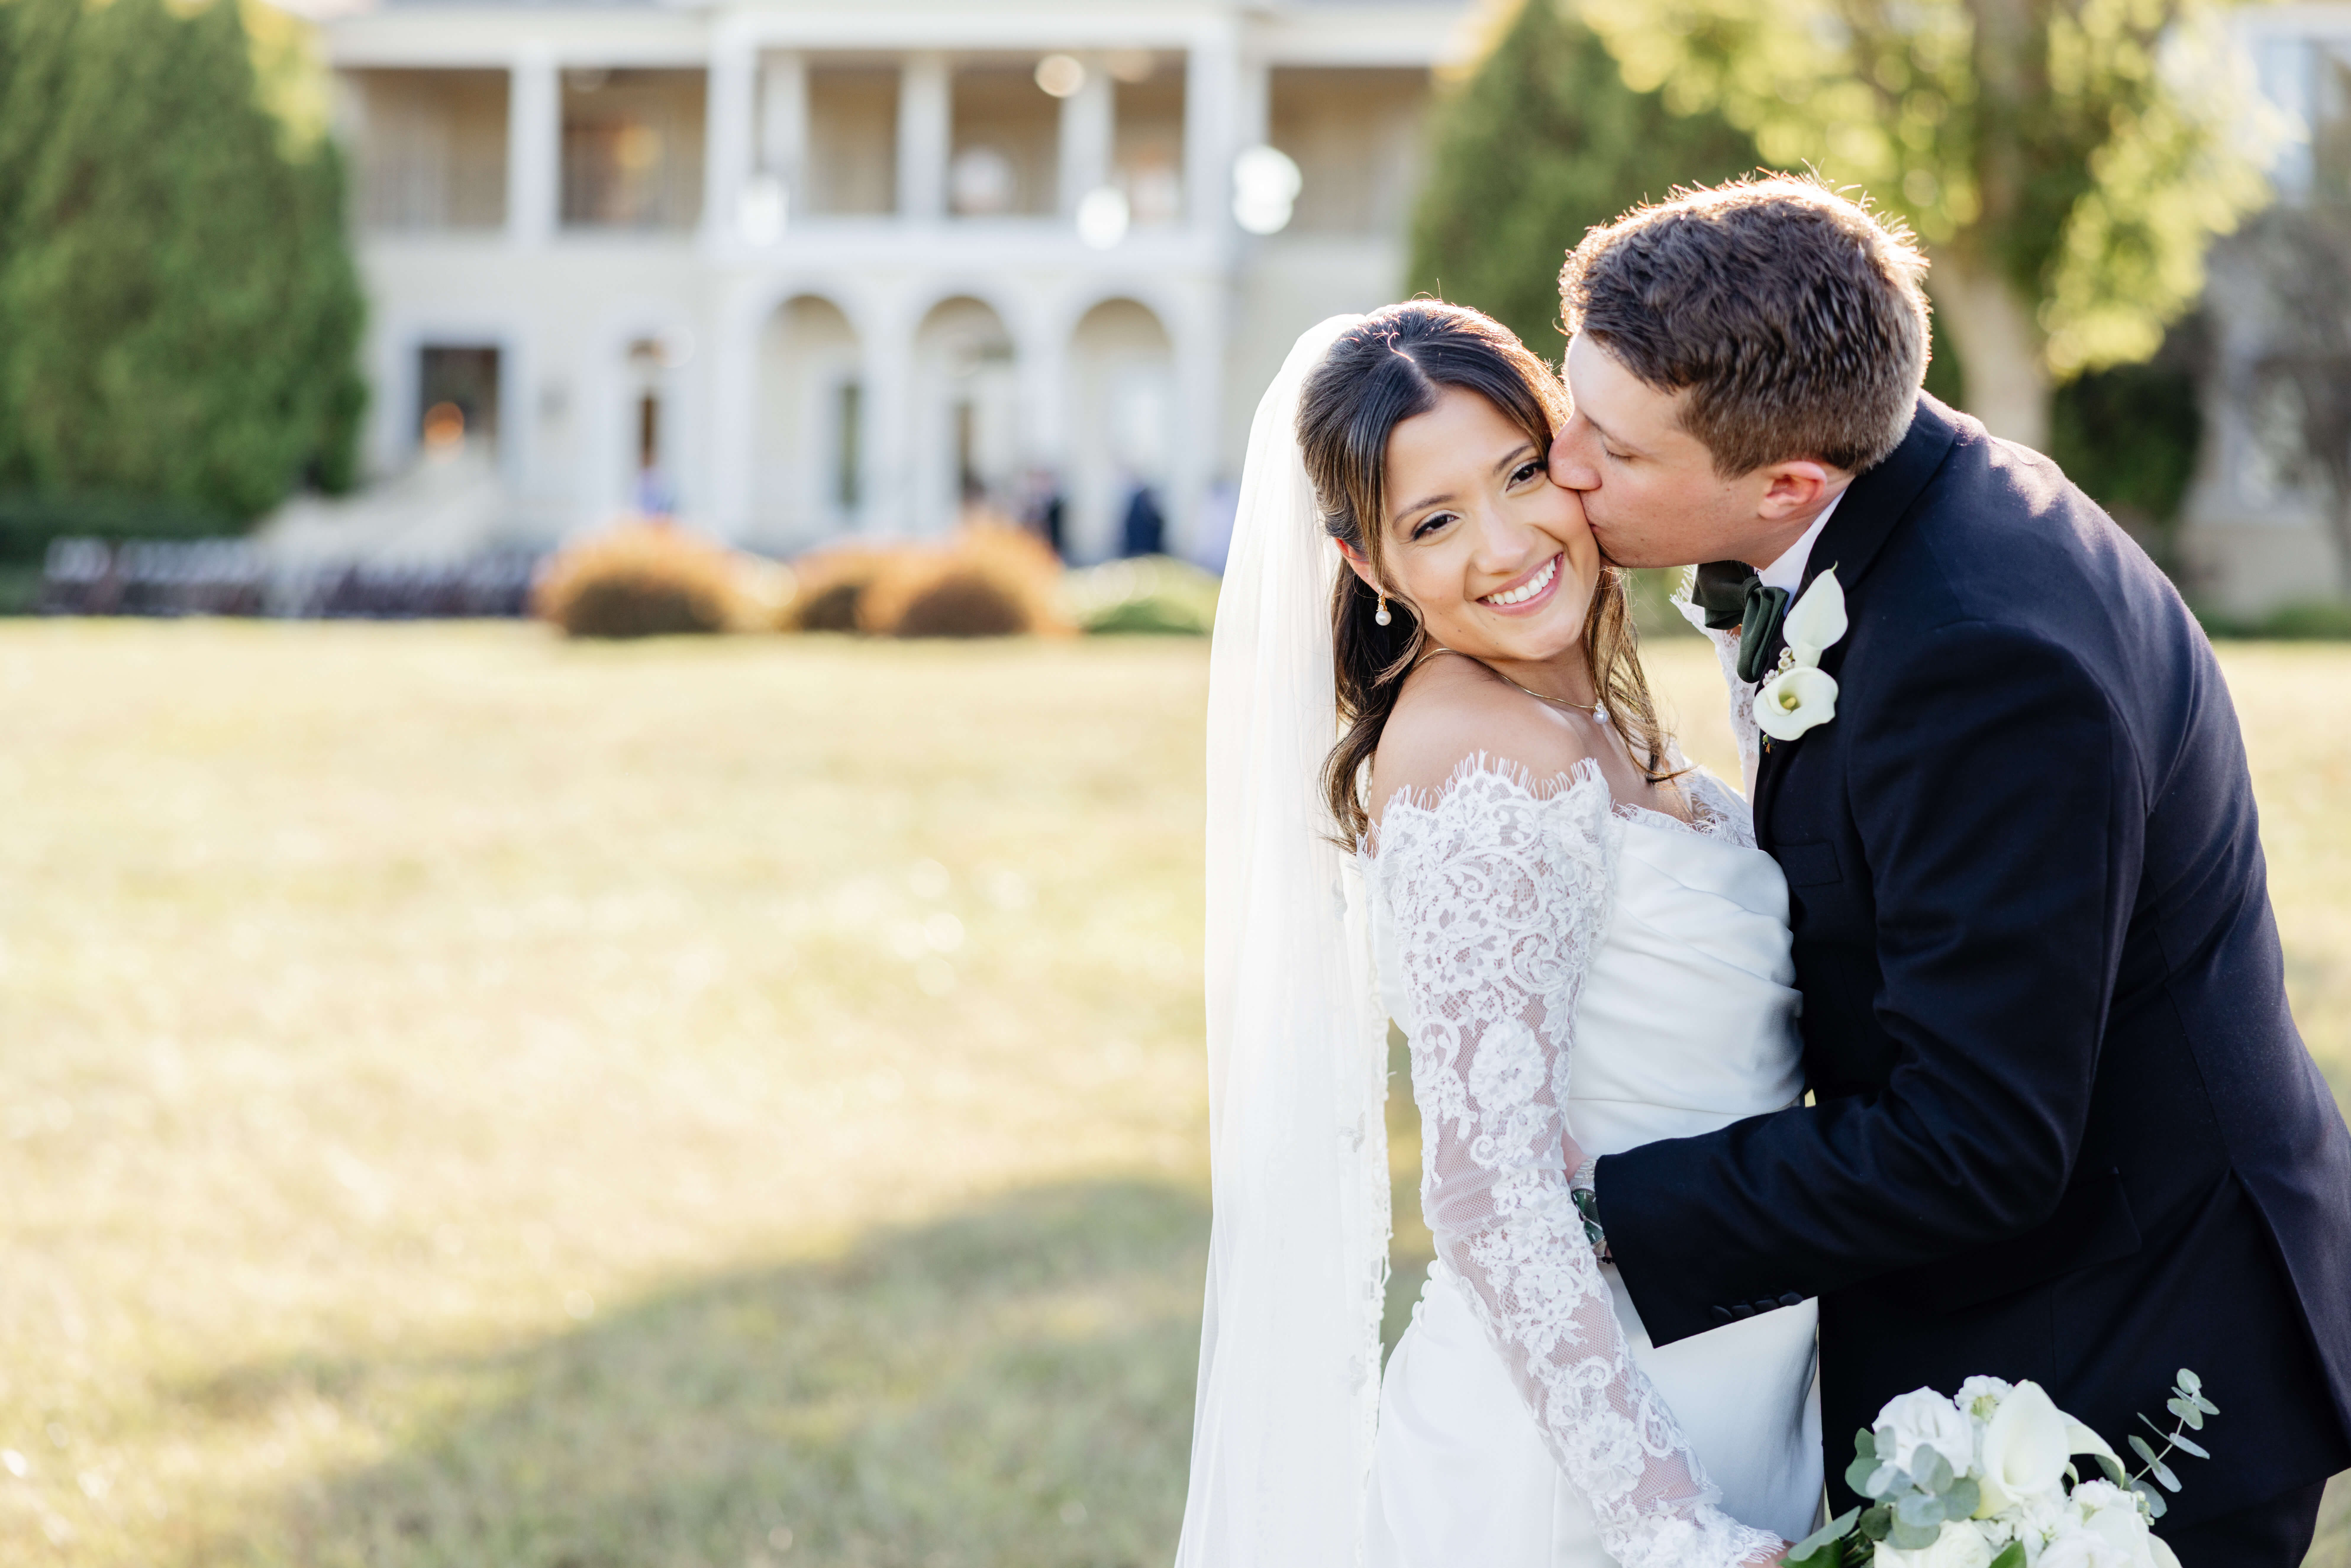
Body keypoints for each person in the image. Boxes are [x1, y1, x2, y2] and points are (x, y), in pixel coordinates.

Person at [1548, 177, 2351, 1567]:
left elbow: (1981, 1137)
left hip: (2129, 1370)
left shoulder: (1985, 662)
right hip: (2045, 1292)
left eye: (1609, 450)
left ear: (1786, 482)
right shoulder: (1889, 492)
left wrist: (1606, 1211)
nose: (1562, 466)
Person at [1178, 301, 1809, 1567]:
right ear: (1368, 568)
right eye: (1435, 520)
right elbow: (1485, 1188)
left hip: (1735, 1361)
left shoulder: (1580, 721)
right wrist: (1668, 1526)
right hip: (1579, 1469)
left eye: (1521, 473)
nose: (1508, 541)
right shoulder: (1481, 750)